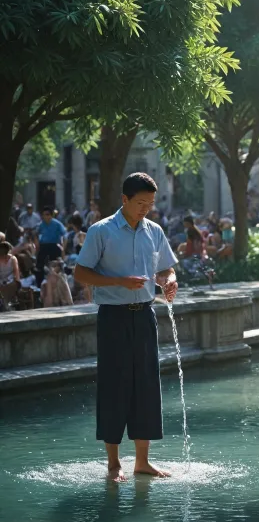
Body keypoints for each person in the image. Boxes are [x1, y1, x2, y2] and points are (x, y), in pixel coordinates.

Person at [74, 172, 178, 482]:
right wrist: (119, 281)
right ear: (125, 200)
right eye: (140, 203)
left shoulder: (154, 231)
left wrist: (169, 281)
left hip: (145, 316)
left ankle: (143, 461)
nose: (146, 209)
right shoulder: (101, 231)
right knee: (114, 385)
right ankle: (113, 463)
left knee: (146, 385)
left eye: (150, 203)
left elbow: (165, 268)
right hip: (113, 317)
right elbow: (81, 273)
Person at [36, 207, 66, 287]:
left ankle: (58, 283)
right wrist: (37, 243)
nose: (46, 216)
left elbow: (65, 235)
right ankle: (39, 285)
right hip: (44, 246)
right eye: (44, 215)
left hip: (54, 245)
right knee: (39, 265)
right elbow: (35, 233)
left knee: (56, 265)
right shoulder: (41, 224)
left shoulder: (57, 224)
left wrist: (63, 247)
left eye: (48, 214)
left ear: (51, 215)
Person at [0, 241, 21, 310]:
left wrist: (16, 282)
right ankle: (5, 304)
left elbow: (16, 272)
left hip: (11, 280)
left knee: (11, 286)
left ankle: (6, 303)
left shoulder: (13, 259)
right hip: (1, 280)